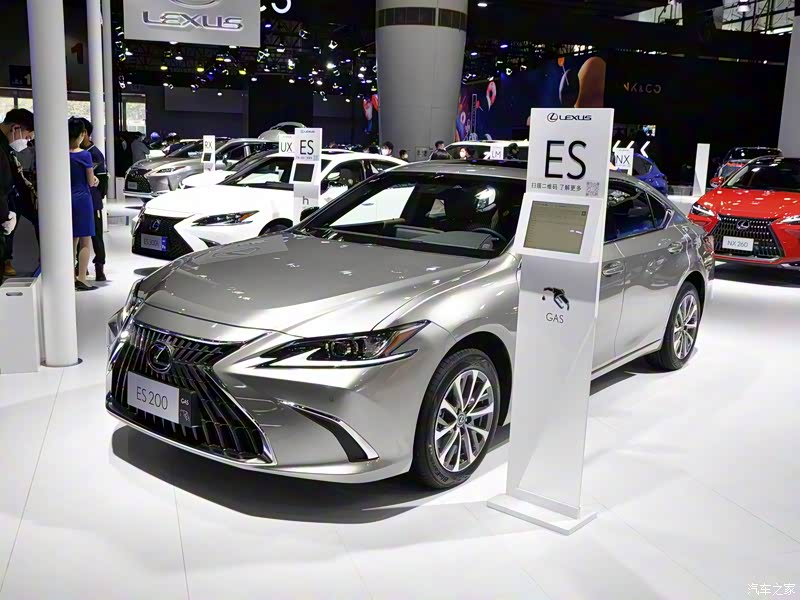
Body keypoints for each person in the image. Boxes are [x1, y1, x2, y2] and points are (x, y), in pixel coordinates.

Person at [0, 109, 37, 278]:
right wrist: (4, 213)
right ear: (15, 128)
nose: (26, 142)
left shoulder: (6, 147)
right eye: (27, 137)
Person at [68, 117, 98, 292]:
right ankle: (82, 278)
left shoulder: (62, 154)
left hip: (66, 199)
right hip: (82, 199)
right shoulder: (85, 155)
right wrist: (95, 180)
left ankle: (70, 277)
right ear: (82, 134)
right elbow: (90, 181)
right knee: (85, 241)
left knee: (71, 241)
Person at [80, 118, 108, 282]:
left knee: (96, 235)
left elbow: (102, 180)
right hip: (81, 199)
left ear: (85, 133)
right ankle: (81, 267)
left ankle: (99, 266)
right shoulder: (76, 151)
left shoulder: (94, 153)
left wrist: (98, 197)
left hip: (93, 200)